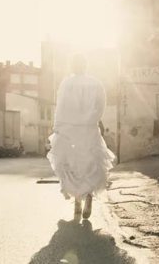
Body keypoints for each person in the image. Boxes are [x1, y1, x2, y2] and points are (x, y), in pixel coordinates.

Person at [46, 54, 116, 219]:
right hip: (88, 129)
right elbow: (101, 105)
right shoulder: (96, 83)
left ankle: (78, 202)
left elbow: (61, 105)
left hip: (69, 130)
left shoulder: (66, 83)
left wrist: (58, 126)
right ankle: (88, 198)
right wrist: (93, 120)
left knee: (72, 165)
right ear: (85, 66)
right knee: (90, 164)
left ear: (72, 66)